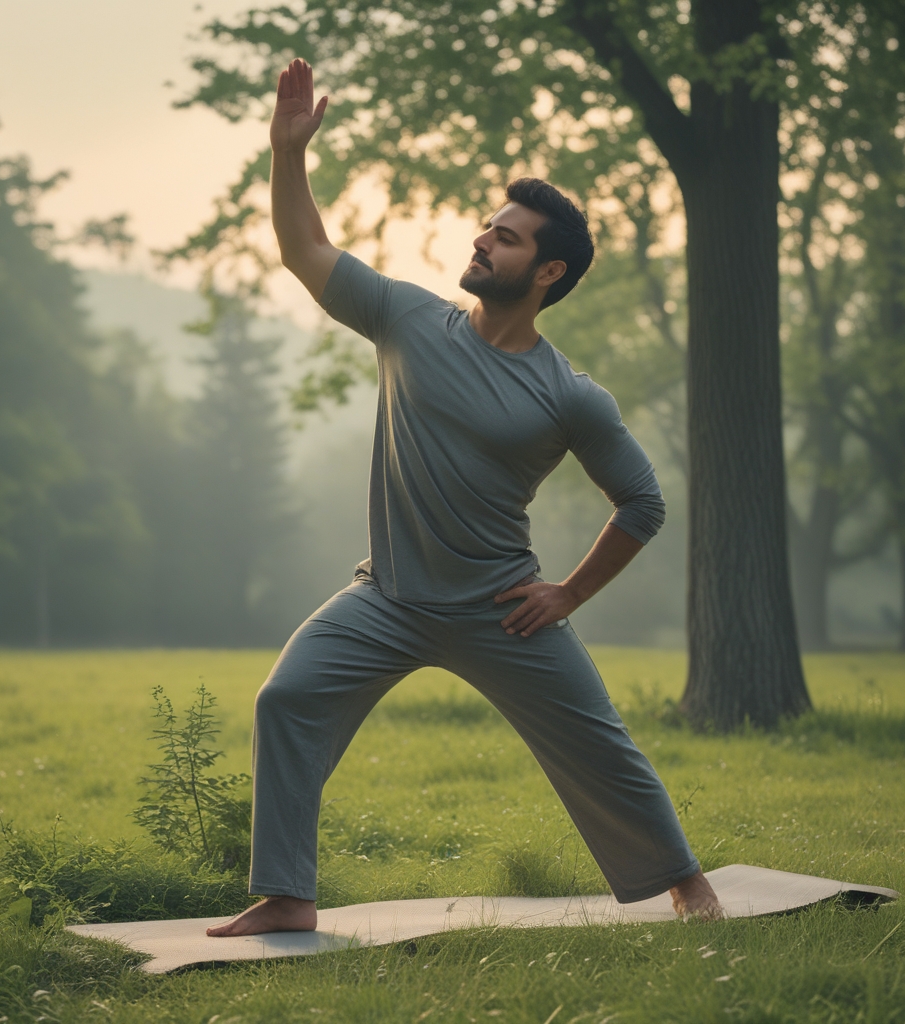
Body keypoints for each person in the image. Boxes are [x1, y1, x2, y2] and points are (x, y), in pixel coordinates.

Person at [207, 59, 720, 937]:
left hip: (500, 608)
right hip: (389, 595)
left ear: (548, 271)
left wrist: (567, 592)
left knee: (600, 748)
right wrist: (287, 154)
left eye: (507, 238)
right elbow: (304, 251)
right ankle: (289, 893)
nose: (483, 241)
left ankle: (688, 888)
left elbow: (642, 503)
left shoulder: (571, 395)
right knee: (285, 699)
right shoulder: (409, 319)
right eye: (488, 228)